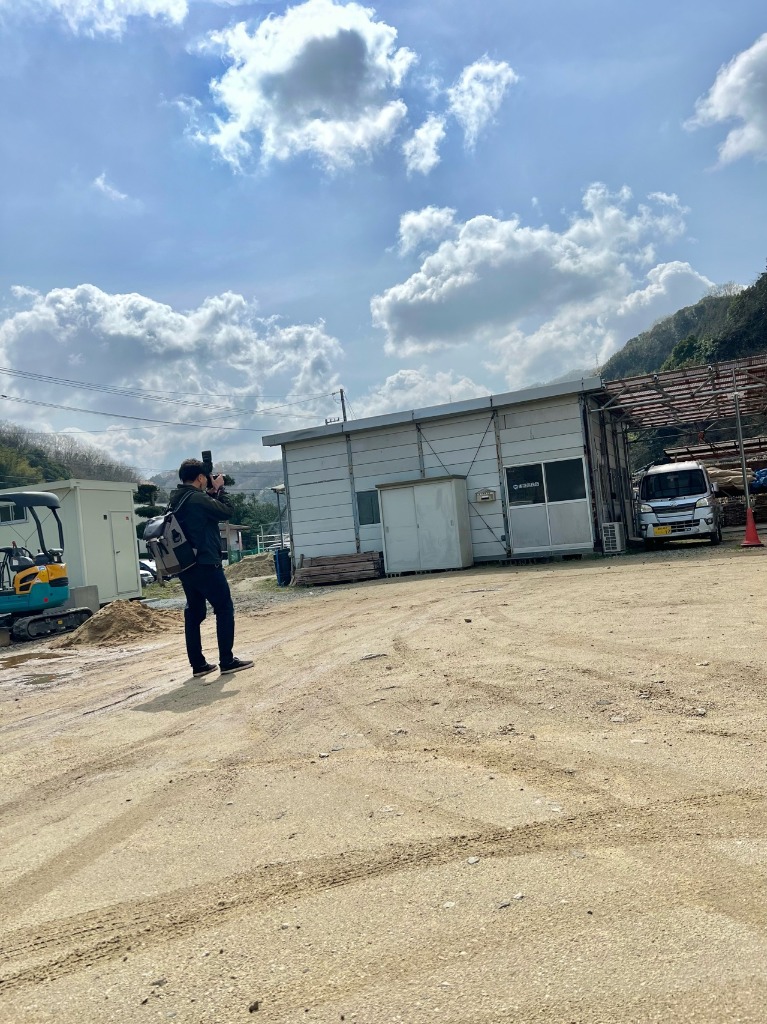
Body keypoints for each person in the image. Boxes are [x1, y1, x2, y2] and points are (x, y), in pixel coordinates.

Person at [169, 458, 254, 678]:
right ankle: (227, 660)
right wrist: (220, 489)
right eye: (206, 477)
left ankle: (198, 665)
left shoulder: (176, 499)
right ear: (200, 477)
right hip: (206, 563)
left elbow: (203, 517)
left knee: (194, 613)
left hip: (186, 565)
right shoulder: (197, 498)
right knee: (224, 608)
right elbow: (227, 511)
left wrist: (211, 494)